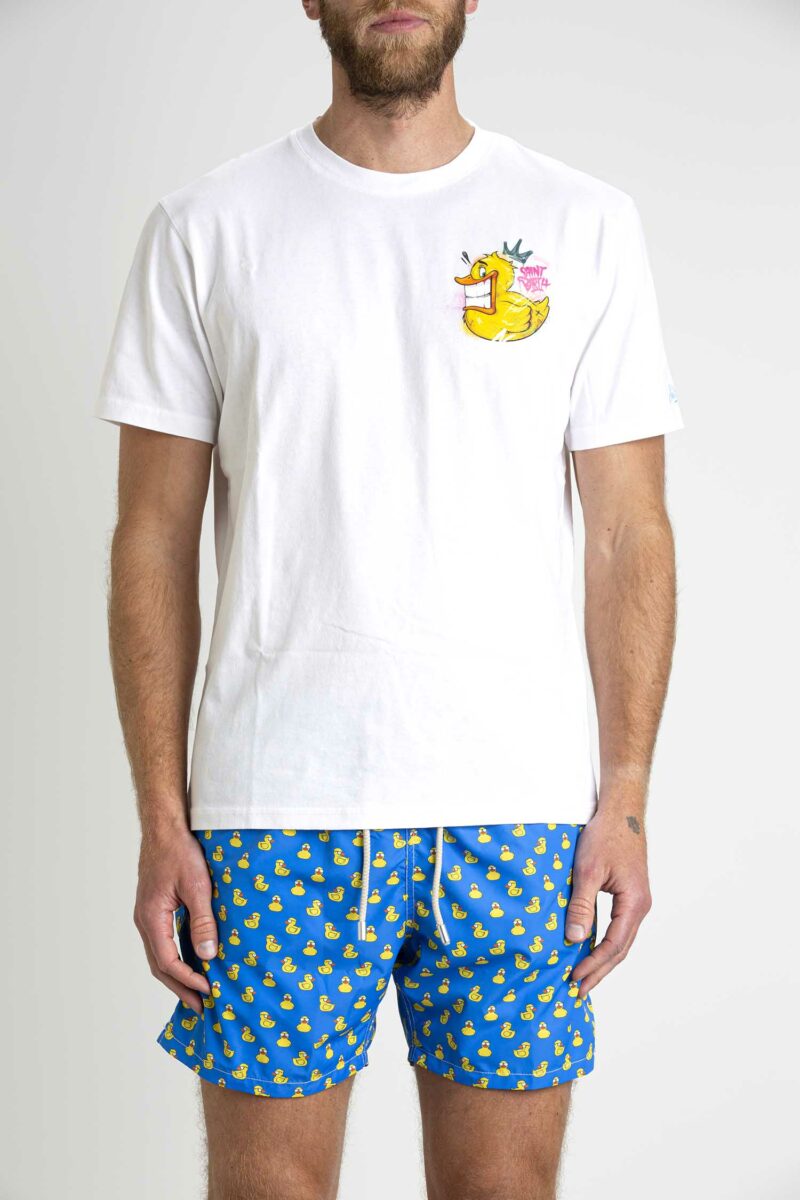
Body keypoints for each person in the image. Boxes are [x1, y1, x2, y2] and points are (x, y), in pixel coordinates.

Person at [95, 2, 683, 1196]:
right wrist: (161, 814)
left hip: (520, 821)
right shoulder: (207, 228)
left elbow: (628, 533)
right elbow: (152, 537)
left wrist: (622, 797)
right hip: (272, 815)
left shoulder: (580, 224)